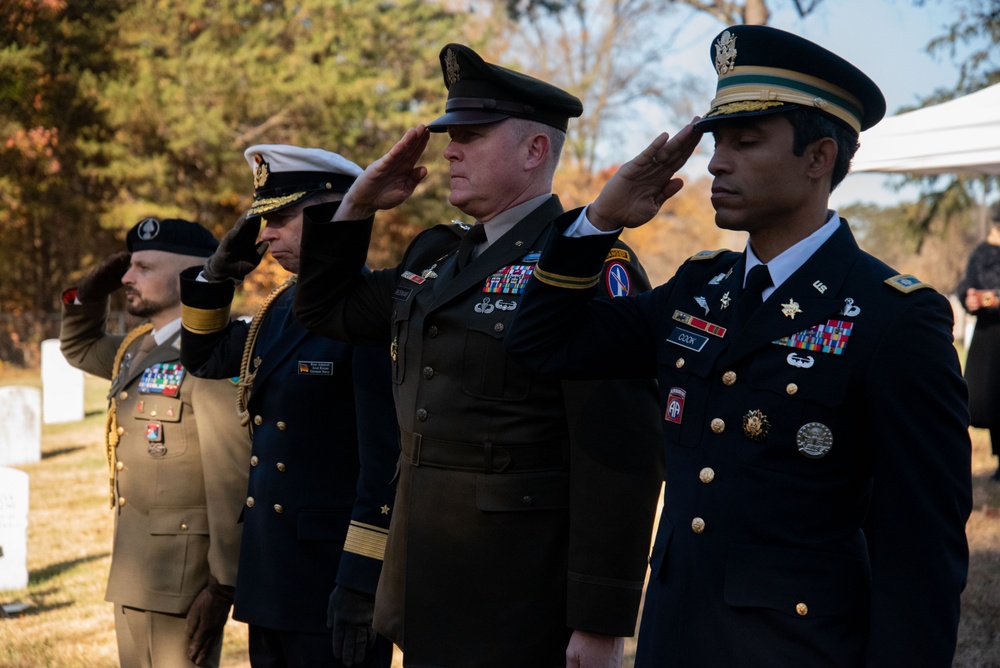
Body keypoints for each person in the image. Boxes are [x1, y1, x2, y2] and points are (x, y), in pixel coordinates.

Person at [505, 25, 973, 667]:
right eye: (717, 142)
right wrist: (598, 221)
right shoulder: (697, 288)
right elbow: (542, 344)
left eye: (746, 142)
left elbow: (921, 550)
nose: (716, 162)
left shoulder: (895, 316)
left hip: (797, 650)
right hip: (674, 637)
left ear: (820, 158)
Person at [292, 44, 664, 667]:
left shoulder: (586, 264)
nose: (449, 150)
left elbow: (618, 454)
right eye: (449, 135)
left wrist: (600, 619)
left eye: (469, 135)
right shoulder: (435, 257)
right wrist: (355, 206)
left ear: (534, 151)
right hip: (427, 575)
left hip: (521, 590)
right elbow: (327, 309)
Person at [178, 145, 398, 668]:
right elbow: (205, 357)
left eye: (280, 218)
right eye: (263, 219)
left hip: (330, 582)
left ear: (332, 215)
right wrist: (215, 276)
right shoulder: (278, 308)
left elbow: (384, 463)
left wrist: (362, 582)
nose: (266, 233)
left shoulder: (372, 310)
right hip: (273, 576)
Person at [60, 217, 250, 668]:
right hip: (134, 569)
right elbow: (79, 348)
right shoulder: (136, 345)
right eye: (128, 267)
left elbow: (231, 475)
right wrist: (88, 294)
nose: (126, 277)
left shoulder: (218, 349)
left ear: (189, 274)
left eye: (143, 267)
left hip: (184, 577)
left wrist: (223, 585)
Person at [957, 201, 1000, 481]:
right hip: (989, 337)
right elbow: (966, 285)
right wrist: (968, 299)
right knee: (990, 400)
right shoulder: (981, 253)